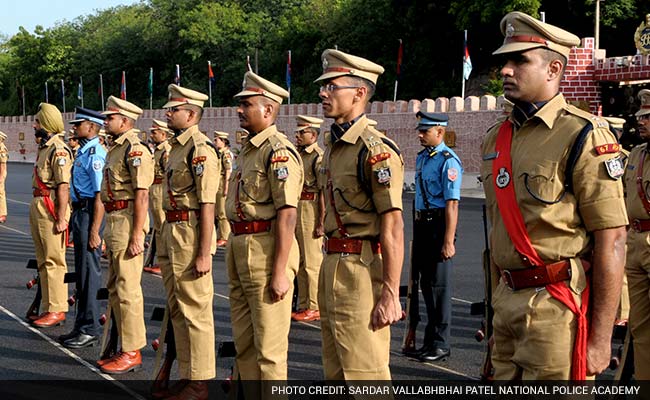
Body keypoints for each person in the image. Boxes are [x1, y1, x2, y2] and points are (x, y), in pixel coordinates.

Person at [480, 11, 627, 380]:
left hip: (556, 310)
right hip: (505, 303)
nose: (506, 71)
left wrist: (599, 339)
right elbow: (497, 235)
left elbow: (612, 240)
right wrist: (493, 317)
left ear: (554, 69)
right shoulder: (495, 139)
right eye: (504, 62)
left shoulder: (583, 135)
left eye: (519, 60)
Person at [315, 49, 404, 380]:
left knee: (366, 372)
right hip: (332, 263)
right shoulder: (334, 146)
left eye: (332, 86)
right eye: (323, 87)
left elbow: (393, 226)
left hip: (361, 271)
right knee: (335, 368)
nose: (323, 93)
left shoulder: (374, 150)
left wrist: (390, 294)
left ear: (359, 93)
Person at [226, 71, 302, 383]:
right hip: (240, 245)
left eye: (247, 104)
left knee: (269, 350)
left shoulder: (278, 152)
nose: (240, 110)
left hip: (266, 251)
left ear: (268, 110)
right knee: (244, 345)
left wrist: (280, 271)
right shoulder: (248, 150)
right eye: (239, 105)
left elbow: (287, 214)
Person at [157, 84, 220, 399]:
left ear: (191, 114)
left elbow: (207, 203)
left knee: (195, 310)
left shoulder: (200, 149)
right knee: (178, 309)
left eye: (174, 110)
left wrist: (205, 251)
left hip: (190, 233)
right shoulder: (178, 147)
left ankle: (199, 382)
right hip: (172, 233)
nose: (168, 114)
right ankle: (188, 373)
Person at [99, 95, 154, 374]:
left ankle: (132, 350)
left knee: (128, 289)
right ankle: (120, 345)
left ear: (125, 120)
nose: (105, 121)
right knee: (115, 288)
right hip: (115, 220)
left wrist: (136, 236)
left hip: (127, 220)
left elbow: (142, 195)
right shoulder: (116, 148)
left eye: (109, 117)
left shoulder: (135, 149)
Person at [404, 111, 462, 362]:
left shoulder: (448, 161)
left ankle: (441, 343)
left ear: (439, 131)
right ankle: (429, 341)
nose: (420, 134)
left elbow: (452, 204)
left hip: (439, 225)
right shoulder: (423, 158)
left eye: (424, 131)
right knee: (425, 285)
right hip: (422, 225)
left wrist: (448, 241)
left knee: (440, 287)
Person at [58, 107, 107, 348]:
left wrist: (95, 231)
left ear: (91, 127)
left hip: (89, 213)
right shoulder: (84, 152)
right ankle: (80, 325)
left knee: (89, 273)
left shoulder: (96, 154)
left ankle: (90, 328)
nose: (74, 128)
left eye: (78, 125)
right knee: (81, 273)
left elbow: (99, 195)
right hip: (81, 212)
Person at [29, 103, 72, 328]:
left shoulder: (59, 150)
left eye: (37, 121)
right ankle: (47, 305)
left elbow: (63, 186)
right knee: (43, 260)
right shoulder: (45, 147)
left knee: (54, 259)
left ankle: (57, 308)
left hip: (50, 206)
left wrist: (62, 217)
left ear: (46, 124)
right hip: (39, 204)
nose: (34, 125)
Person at [622, 89, 650, 380]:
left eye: (647, 117)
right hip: (635, 240)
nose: (641, 122)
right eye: (641, 116)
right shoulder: (637, 155)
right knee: (640, 326)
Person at [291, 115, 325, 322]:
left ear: (312, 134)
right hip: (298, 206)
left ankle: (314, 304)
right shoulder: (300, 155)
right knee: (300, 260)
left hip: (310, 208)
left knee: (312, 262)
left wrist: (321, 222)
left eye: (301, 132)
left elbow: (322, 192)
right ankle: (304, 302)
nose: (297, 135)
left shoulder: (317, 157)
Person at [144, 119, 172, 276]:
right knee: (158, 227)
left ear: (164, 134)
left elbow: (168, 174)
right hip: (155, 188)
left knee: (162, 227)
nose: (151, 134)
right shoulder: (159, 149)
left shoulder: (165, 150)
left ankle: (163, 263)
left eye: (155, 132)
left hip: (160, 189)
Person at [213, 131, 233, 247]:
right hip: (217, 183)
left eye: (217, 140)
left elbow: (228, 171)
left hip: (222, 182)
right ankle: (220, 235)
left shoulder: (225, 154)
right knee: (217, 212)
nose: (215, 142)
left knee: (222, 212)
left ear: (223, 141)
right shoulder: (219, 153)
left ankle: (225, 237)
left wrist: (226, 187)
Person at [0, 130, 8, 223]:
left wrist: (1, 178)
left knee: (0, 193)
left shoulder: (2, 149)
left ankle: (2, 214)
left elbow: (3, 165)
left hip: (1, 172)